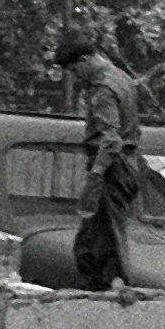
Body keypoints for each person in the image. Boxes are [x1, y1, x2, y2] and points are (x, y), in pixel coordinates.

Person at [54, 26, 142, 292]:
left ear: (84, 60)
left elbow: (111, 139)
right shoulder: (121, 77)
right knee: (89, 242)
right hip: (125, 165)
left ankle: (117, 289)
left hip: (111, 168)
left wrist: (96, 174)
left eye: (74, 69)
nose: (75, 75)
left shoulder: (103, 89)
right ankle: (105, 286)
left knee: (105, 238)